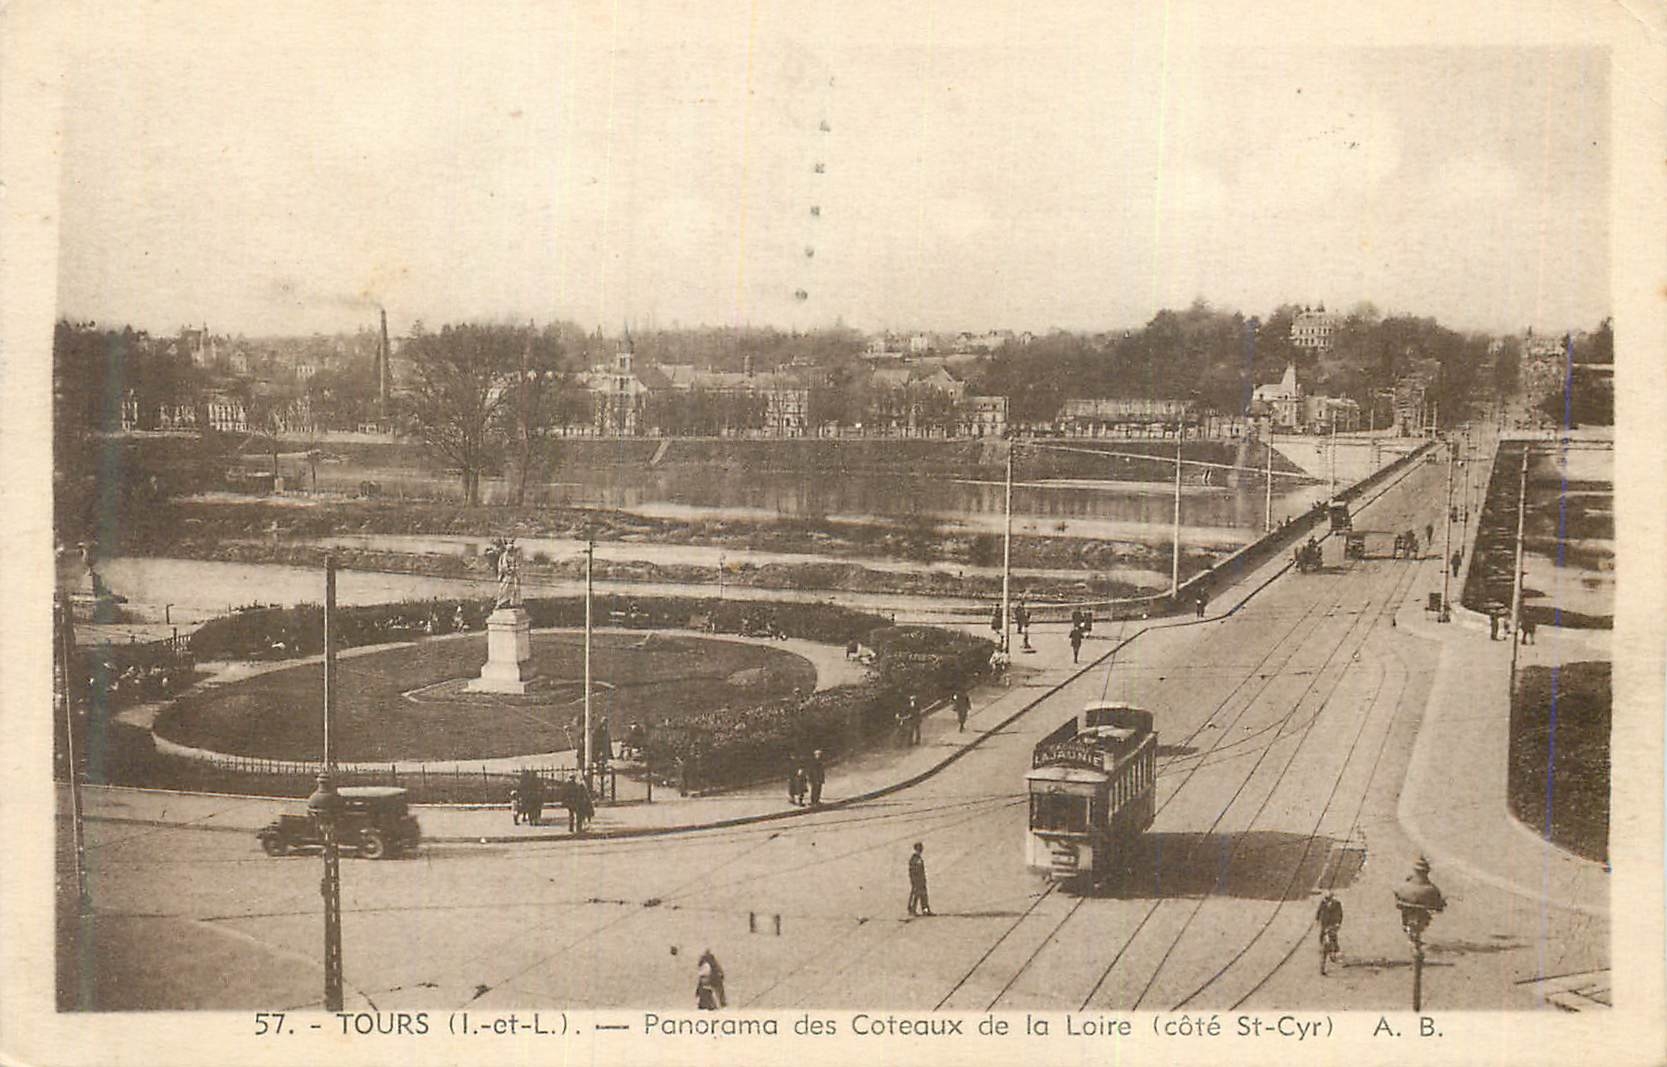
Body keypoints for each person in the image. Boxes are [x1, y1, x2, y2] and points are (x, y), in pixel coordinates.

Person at [1316, 891, 1344, 969]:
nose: (1327, 900)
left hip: (1333, 923)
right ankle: (1322, 947)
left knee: (1333, 937)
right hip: (1324, 923)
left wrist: (1338, 923)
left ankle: (1334, 952)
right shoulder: (1323, 903)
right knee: (1322, 935)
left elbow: (1340, 914)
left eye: (1328, 898)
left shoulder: (1337, 904)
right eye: (1326, 898)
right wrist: (1317, 919)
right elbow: (1319, 911)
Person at [907, 842, 932, 916]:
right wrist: (914, 880)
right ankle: (911, 910)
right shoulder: (914, 859)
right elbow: (912, 871)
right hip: (916, 880)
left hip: (921, 880)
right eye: (919, 849)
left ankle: (925, 910)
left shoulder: (919, 858)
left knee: (924, 895)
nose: (920, 850)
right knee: (915, 895)